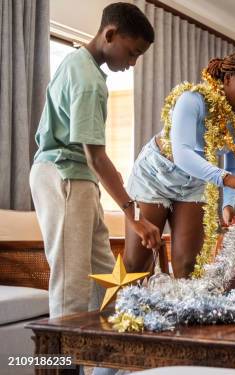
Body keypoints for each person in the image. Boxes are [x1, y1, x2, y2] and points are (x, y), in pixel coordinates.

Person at [30, 2, 161, 319]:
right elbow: (96, 156)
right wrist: (133, 215)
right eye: (132, 53)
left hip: (78, 180)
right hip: (64, 175)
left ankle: (102, 366)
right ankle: (61, 367)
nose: (132, 63)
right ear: (111, 34)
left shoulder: (78, 63)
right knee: (71, 285)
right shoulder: (88, 81)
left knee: (106, 279)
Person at [124, 52, 235, 277]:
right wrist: (225, 178)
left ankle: (180, 312)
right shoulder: (192, 100)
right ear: (228, 79)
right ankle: (129, 312)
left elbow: (234, 165)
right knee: (136, 265)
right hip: (157, 174)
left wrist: (227, 205)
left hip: (195, 181)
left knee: (189, 264)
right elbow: (182, 153)